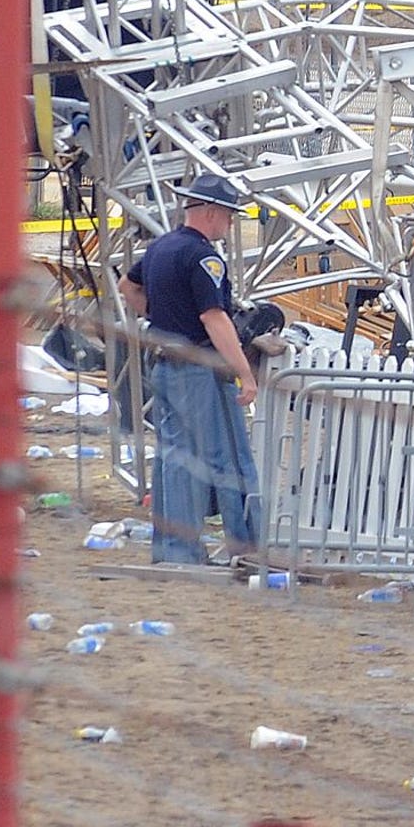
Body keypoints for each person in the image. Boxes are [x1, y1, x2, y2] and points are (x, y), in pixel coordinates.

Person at [121, 173, 260, 566]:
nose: (229, 224)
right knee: (218, 456)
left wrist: (160, 317)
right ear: (212, 213)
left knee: (173, 456)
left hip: (163, 361)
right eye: (228, 216)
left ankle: (172, 547)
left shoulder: (161, 247)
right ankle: (238, 546)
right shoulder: (203, 257)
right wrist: (245, 373)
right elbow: (214, 319)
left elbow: (127, 286)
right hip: (197, 368)